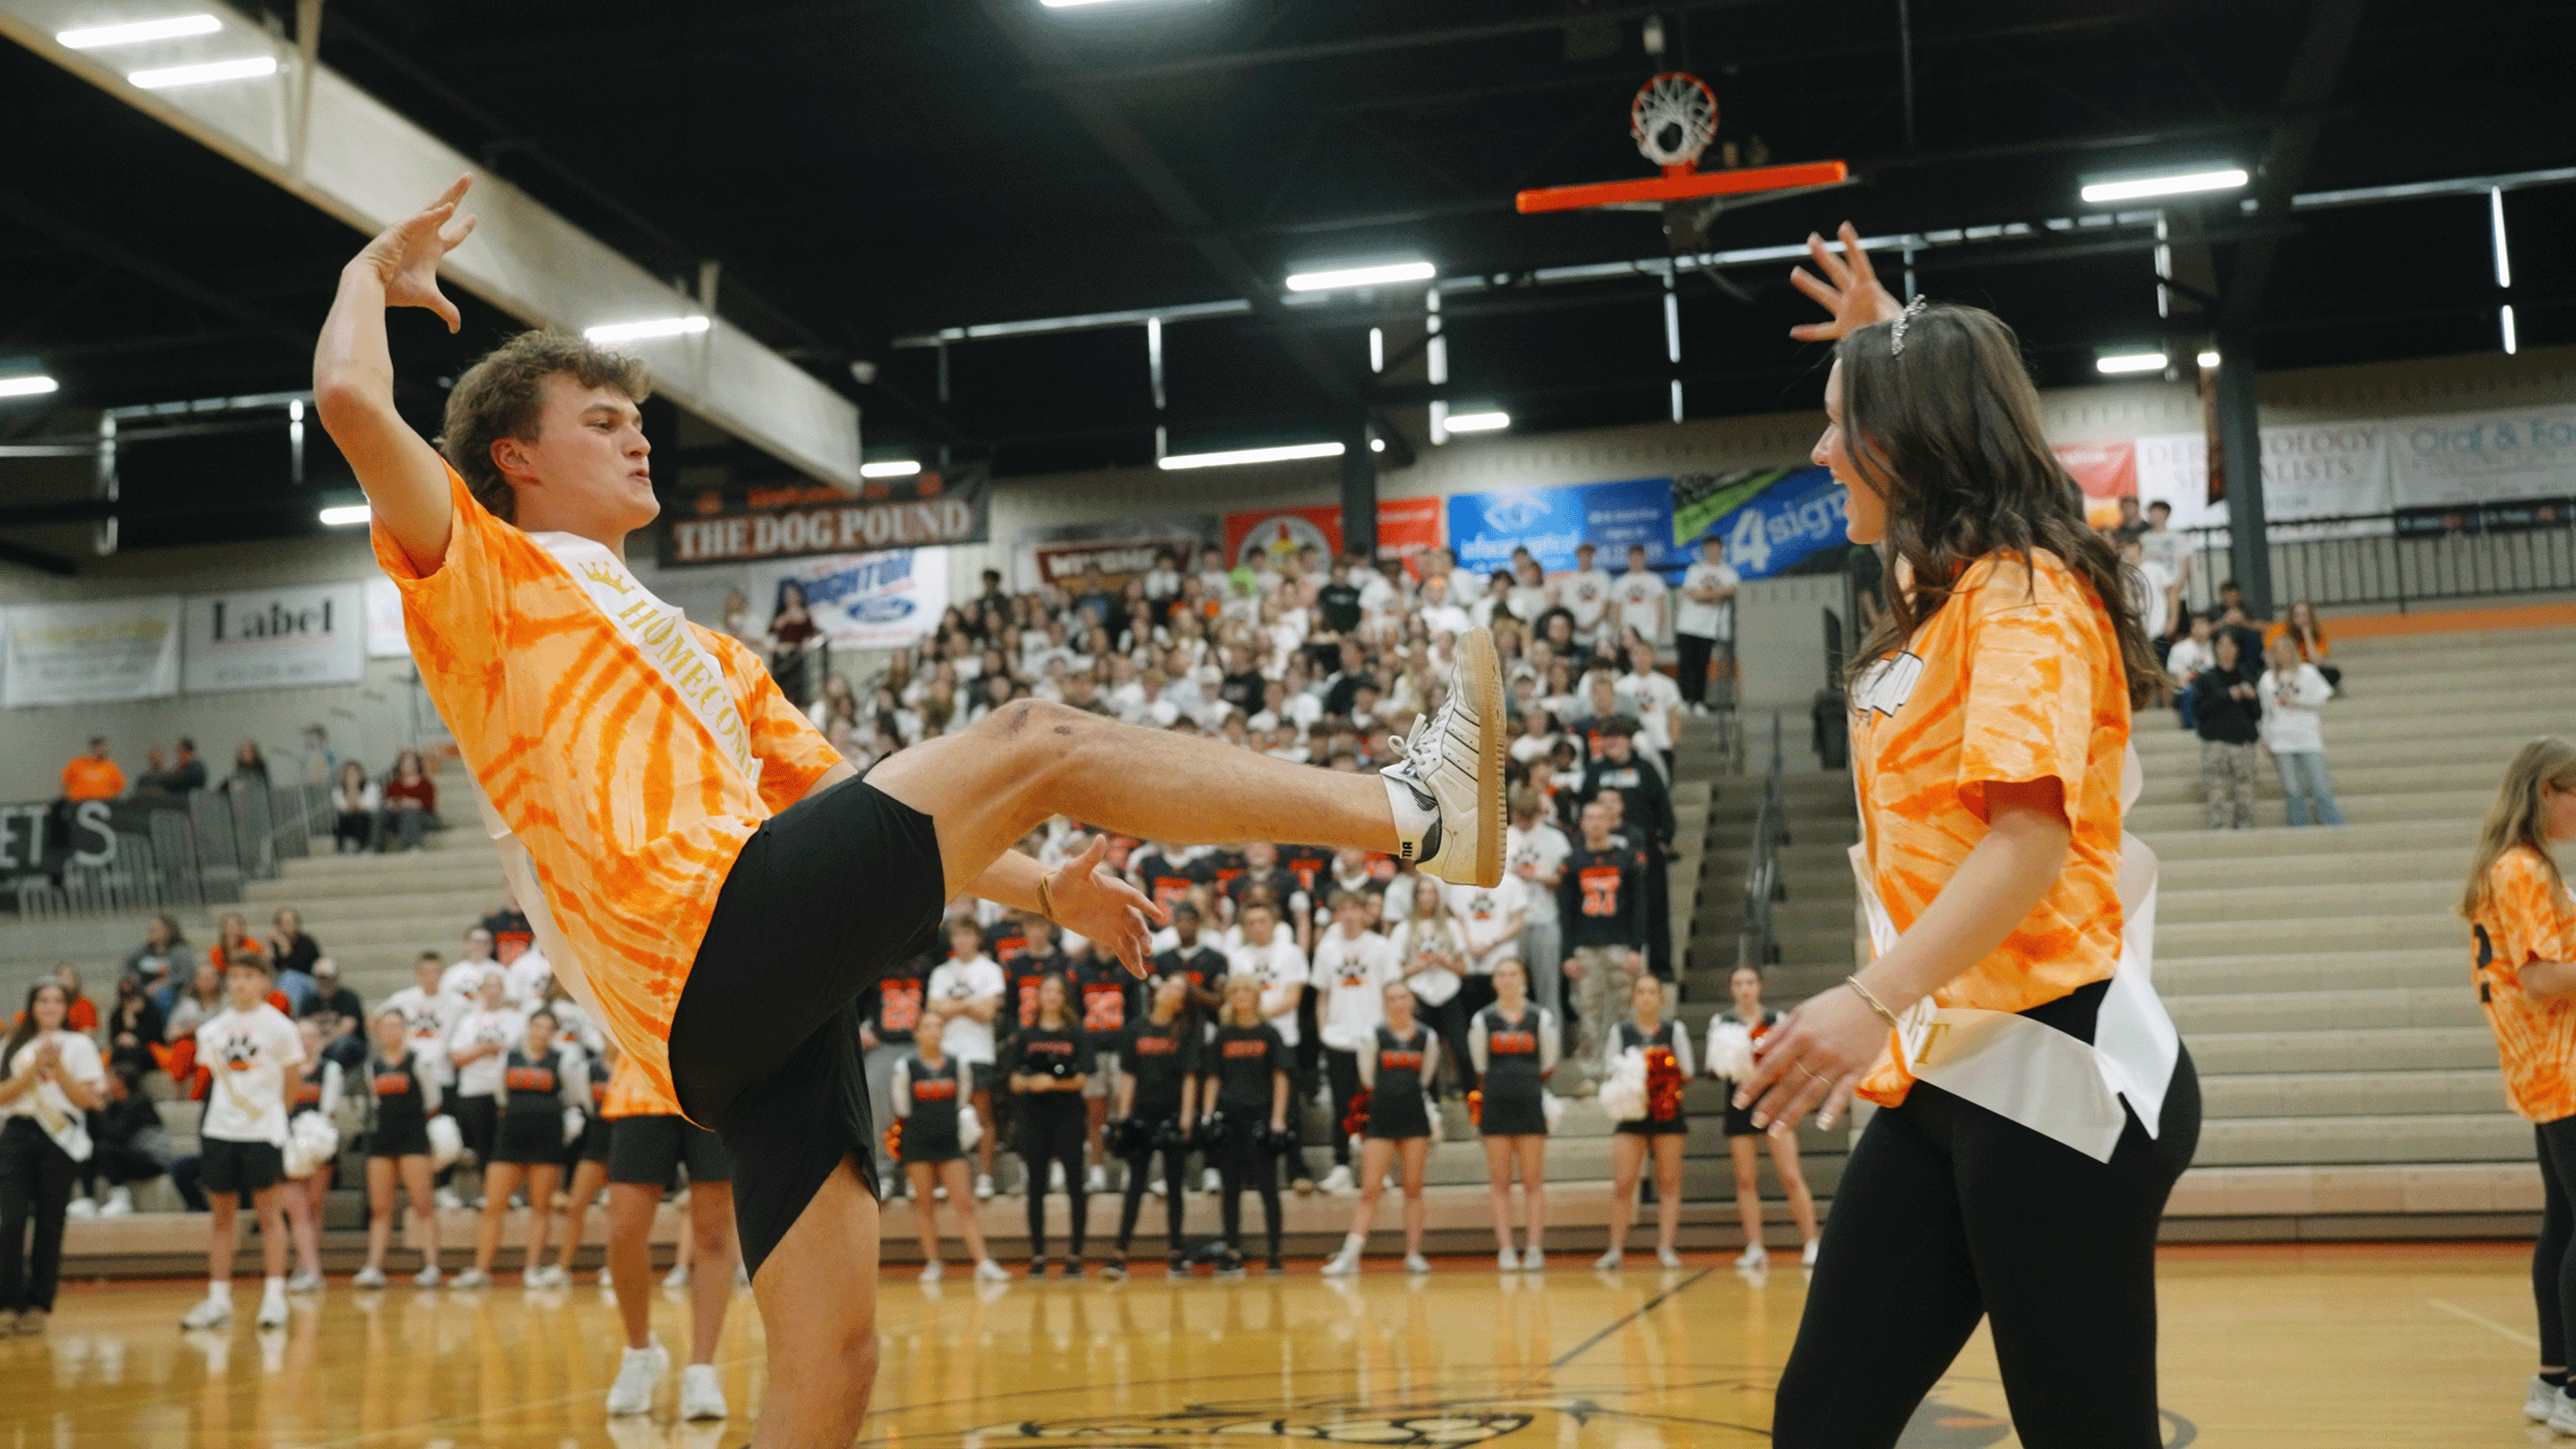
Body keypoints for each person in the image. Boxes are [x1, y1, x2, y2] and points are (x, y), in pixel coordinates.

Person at [318, 174, 1504, 1447]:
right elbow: (348, 396)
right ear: (516, 458)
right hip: (699, 945)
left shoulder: (713, 660)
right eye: (603, 422)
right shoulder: (478, 568)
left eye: (637, 421)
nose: (637, 439)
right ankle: (1413, 808)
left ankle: (1414, 809)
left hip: (751, 1019)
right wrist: (367, 275)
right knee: (1037, 737)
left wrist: (1047, 889)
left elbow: (843, 800)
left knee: (831, 1365)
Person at [1747, 225, 2198, 1449]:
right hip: (1948, 1073)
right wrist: (1889, 343)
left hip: (2057, 1071)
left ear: (1910, 442)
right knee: (1821, 1421)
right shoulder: (1934, 592)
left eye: (1844, 423)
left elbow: (2026, 848)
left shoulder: (2027, 599)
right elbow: (1958, 443)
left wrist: (1862, 998)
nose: (1818, 447)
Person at [2458, 740, 2576, 1433]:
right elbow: (2541, 977)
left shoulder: (2512, 868)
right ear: (2545, 792)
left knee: (2563, 1223)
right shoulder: (2523, 869)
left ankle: (2553, 1379)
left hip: (2544, 1068)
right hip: (2562, 1064)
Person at [600, 1054, 738, 1421]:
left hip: (716, 1083)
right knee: (623, 1231)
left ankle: (702, 1369)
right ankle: (640, 1352)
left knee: (712, 1234)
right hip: (642, 1078)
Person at [179, 953, 305, 1331]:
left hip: (262, 1131)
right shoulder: (213, 1029)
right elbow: (211, 1080)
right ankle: (218, 1300)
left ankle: (274, 1297)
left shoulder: (280, 1027)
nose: (239, 983)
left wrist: (273, 1118)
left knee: (269, 1214)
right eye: (233, 976)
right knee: (222, 1216)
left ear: (265, 981)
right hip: (220, 1129)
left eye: (248, 976)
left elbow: (293, 1080)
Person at [0, 980, 106, 1335]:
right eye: (42, 1000)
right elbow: (3, 1096)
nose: (49, 1006)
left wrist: (58, 1067)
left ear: (67, 1007)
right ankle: (7, 1303)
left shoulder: (80, 1045)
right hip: (17, 1133)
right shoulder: (12, 1045)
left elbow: (89, 1101)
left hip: (60, 1138)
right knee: (9, 1220)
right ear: (32, 1006)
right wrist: (33, 1068)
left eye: (57, 1000)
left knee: (50, 1221)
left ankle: (38, 1304)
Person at [453, 1007, 586, 1289]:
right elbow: (500, 1094)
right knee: (494, 1205)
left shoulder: (562, 1060)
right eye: (537, 1025)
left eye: (548, 1028)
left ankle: (532, 1270)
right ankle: (481, 1271)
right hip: (510, 1137)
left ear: (554, 1033)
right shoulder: (508, 1056)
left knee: (540, 1208)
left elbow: (574, 1097)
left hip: (547, 1138)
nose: (541, 1032)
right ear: (529, 1027)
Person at [1704, 965, 1819, 1269]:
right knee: (1745, 1178)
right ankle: (1755, 1247)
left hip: (1773, 1100)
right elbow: (1713, 1071)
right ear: (1731, 988)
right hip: (1739, 1102)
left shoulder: (1776, 1020)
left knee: (1791, 1175)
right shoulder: (1721, 1022)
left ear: (1760, 986)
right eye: (1738, 983)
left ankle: (1811, 1242)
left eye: (1750, 982)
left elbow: (1791, 1061)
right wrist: (1732, 1058)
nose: (1744, 988)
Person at [1320, 981, 1438, 1276]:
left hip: (1415, 1119)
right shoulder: (1374, 1035)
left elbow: (1425, 1078)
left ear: (1412, 1000)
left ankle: (1413, 1254)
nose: (1398, 1002)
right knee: (1369, 1190)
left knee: (1413, 1188)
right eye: (1392, 998)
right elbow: (1368, 1079)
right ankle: (1349, 1257)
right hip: (1381, 1118)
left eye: (1403, 997)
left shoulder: (1427, 1037)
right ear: (1385, 1002)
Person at [892, 1014, 1006, 1287]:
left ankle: (982, 1263)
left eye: (938, 1027)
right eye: (927, 1027)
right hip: (918, 1142)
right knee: (924, 1204)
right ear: (917, 1034)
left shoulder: (958, 1063)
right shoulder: (905, 1066)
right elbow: (902, 1108)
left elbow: (962, 1101)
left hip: (950, 1143)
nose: (933, 1032)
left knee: (964, 1204)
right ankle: (933, 1263)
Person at [1596, 972, 1691, 1271]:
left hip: (1667, 1113)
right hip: (1631, 1114)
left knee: (1668, 1183)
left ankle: (1665, 1249)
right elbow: (1609, 1071)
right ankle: (1615, 1250)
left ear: (1661, 998)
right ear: (1633, 997)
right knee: (1623, 1183)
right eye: (1641, 992)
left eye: (1652, 992)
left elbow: (1687, 1072)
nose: (1646, 997)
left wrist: (1662, 1074)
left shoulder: (1673, 1030)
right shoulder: (1620, 1032)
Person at [1105, 974, 1199, 1278]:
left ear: (1182, 1003)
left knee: (1174, 1185)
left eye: (1179, 990)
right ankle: (1120, 1254)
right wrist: (1123, 1117)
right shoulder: (1135, 1029)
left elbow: (1189, 1076)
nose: (1171, 991)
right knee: (1135, 1183)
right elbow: (1129, 1076)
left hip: (1171, 1114)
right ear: (1158, 991)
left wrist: (1186, 1117)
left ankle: (1176, 1253)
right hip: (1142, 1115)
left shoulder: (1184, 1031)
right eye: (1169, 985)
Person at [1469, 957, 1556, 1271]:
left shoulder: (1540, 1018)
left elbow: (1548, 1063)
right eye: (1501, 974)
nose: (1507, 980)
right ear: (1494, 982)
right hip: (1496, 1104)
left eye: (1513, 974)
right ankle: (1506, 1249)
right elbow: (1480, 1065)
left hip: (1530, 1101)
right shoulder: (1483, 1020)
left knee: (1532, 1179)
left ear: (1524, 979)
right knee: (1500, 1181)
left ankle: (1534, 1248)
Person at [1309, 891, 1398, 1196]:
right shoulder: (1327, 949)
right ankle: (1341, 1166)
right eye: (1343, 909)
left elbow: (1392, 991)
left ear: (1365, 913)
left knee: (1377, 1105)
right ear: (1337, 914)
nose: (1348, 915)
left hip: (1373, 1038)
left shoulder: (1381, 947)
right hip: (1338, 1039)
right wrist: (1324, 1031)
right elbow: (1321, 996)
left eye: (1354, 909)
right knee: (1341, 1105)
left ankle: (1377, 1169)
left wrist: (1388, 1033)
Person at [1007, 972, 1094, 1277]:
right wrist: (1031, 1082)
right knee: (1036, 1185)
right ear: (1039, 997)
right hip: (1034, 1116)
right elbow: (1014, 1080)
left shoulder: (1076, 1034)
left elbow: (1083, 1077)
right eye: (1047, 991)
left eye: (1058, 991)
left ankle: (1075, 1257)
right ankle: (1039, 1257)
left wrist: (1054, 1083)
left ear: (1065, 998)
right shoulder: (1026, 1034)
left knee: (1074, 1184)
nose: (1052, 996)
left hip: (1068, 1115)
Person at [1203, 976, 1291, 1275]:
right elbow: (1213, 1076)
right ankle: (1231, 1251)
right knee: (1231, 1188)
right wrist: (1207, 1115)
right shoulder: (1222, 1035)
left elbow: (1280, 1076)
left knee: (1268, 1187)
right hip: (1229, 1118)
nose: (1241, 995)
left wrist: (1278, 1118)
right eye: (1236, 991)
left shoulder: (1269, 1033)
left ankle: (1275, 1253)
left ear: (1256, 997)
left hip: (1261, 1117)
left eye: (1247, 991)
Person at [352, 1008, 443, 1289]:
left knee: (423, 1204)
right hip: (382, 1139)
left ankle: (431, 1266)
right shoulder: (372, 1066)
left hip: (413, 1137)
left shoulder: (418, 1061)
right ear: (377, 1031)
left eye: (396, 1026)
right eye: (385, 1026)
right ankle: (374, 1267)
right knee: (380, 1208)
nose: (391, 1031)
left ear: (404, 1029)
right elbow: (374, 1104)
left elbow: (433, 1101)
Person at [1560, 800, 1650, 1073]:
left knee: (1627, 1010)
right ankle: (1590, 1071)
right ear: (1582, 823)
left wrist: (1636, 948)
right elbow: (1565, 912)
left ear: (1610, 822)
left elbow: (1639, 906)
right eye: (1590, 817)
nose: (1596, 823)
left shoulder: (1626, 860)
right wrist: (1568, 954)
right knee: (1589, 1013)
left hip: (1620, 945)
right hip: (1586, 947)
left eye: (1601, 817)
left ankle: (1629, 1067)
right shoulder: (1572, 862)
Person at [926, 919, 1006, 1199]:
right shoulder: (940, 973)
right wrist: (971, 1005)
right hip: (947, 1054)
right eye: (957, 935)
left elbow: (988, 1013)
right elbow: (934, 1012)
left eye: (967, 934)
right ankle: (943, 1177)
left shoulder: (991, 970)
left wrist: (953, 1008)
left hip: (979, 1052)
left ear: (977, 938)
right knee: (943, 1118)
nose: (961, 940)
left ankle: (985, 1176)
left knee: (983, 1115)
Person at [279, 1018, 343, 1293]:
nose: (306, 1040)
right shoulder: (285, 1069)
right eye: (300, 1035)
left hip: (318, 1145)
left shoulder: (330, 1069)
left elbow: (328, 1110)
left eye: (311, 1036)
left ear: (319, 1039)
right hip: (288, 1144)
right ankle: (313, 1270)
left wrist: (312, 1142)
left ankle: (305, 1267)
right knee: (298, 1210)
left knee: (314, 1208)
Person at [445, 970, 522, 1190]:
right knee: (482, 1145)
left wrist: (486, 1050)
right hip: (474, 1089)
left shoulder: (517, 1019)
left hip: (508, 1091)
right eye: (486, 986)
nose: (491, 991)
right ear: (480, 991)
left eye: (495, 986)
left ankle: (509, 1193)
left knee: (508, 1144)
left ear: (503, 990)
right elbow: (456, 1058)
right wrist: (485, 1049)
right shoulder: (469, 1021)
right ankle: (488, 1193)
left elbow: (523, 1054)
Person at [2258, 635, 2344, 827]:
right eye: (2277, 650)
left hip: (2307, 737)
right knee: (2292, 790)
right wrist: (2266, 738)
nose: (2281, 653)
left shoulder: (2307, 672)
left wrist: (2300, 703)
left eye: (2285, 648)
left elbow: (2323, 697)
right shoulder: (2266, 679)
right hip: (2281, 739)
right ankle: (2299, 827)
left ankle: (2334, 825)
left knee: (2320, 787)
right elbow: (2266, 712)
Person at [72, 1064, 168, 1221]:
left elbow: (117, 1135)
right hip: (127, 1155)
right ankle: (87, 1199)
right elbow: (97, 1133)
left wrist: (101, 1108)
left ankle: (121, 1196)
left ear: (120, 1081)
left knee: (104, 1148)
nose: (105, 1082)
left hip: (151, 1159)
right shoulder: (114, 1105)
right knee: (86, 1148)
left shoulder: (139, 1102)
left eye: (108, 1077)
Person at [2190, 632, 2263, 830]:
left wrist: (2251, 697)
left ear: (2238, 649)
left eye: (2231, 645)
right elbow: (2199, 711)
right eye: (2221, 645)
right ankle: (2217, 828)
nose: (2226, 650)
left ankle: (2245, 826)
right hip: (2215, 742)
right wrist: (2227, 695)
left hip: (2242, 741)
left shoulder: (2247, 675)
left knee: (2245, 788)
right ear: (2215, 649)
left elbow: (2257, 713)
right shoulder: (2206, 678)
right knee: (2216, 789)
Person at [1674, 534, 1739, 715]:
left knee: (1702, 666)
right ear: (1704, 549)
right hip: (1687, 625)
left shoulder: (1728, 572)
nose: (1712, 550)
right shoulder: (1695, 570)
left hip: (1708, 628)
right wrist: (1715, 596)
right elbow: (1693, 594)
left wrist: (1705, 596)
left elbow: (1731, 588)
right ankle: (1684, 701)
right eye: (1708, 547)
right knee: (1686, 665)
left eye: (1715, 546)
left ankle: (1699, 701)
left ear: (1721, 548)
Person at [376, 749, 439, 852]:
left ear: (417, 765)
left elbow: (428, 806)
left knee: (410, 812)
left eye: (411, 763)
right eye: (405, 763)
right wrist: (394, 805)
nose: (408, 766)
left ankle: (412, 846)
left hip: (422, 817)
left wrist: (411, 804)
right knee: (380, 812)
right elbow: (387, 801)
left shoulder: (426, 784)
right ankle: (374, 847)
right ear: (400, 766)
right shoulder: (394, 785)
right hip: (398, 817)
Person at [2267, 599, 2340, 690]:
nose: (2301, 618)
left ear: (2310, 617)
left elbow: (2317, 662)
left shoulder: (2317, 633)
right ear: (2291, 617)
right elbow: (2270, 657)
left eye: (2305, 615)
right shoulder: (2278, 630)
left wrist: (2307, 634)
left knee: (2333, 673)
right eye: (2297, 615)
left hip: (2306, 670)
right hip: (2284, 668)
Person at [1611, 543, 1669, 654]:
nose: (1636, 561)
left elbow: (1661, 608)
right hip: (1627, 634)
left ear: (1644, 558)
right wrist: (1618, 632)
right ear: (1628, 559)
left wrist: (1658, 631)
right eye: (1633, 557)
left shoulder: (1654, 580)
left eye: (1639, 557)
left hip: (1649, 633)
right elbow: (1616, 610)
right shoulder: (1620, 582)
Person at [60, 738, 123, 803]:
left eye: (104, 748)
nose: (102, 750)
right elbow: (65, 783)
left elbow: (118, 787)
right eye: (99, 748)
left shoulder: (111, 767)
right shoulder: (77, 764)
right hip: (79, 802)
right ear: (93, 748)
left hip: (104, 803)